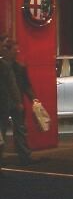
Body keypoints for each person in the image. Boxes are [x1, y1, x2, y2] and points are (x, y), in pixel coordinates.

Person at [0, 37, 38, 167]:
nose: (16, 52)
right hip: (6, 102)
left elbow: (25, 85)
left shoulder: (19, 67)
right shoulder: (5, 66)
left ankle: (24, 156)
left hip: (15, 102)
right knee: (3, 130)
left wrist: (33, 98)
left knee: (20, 129)